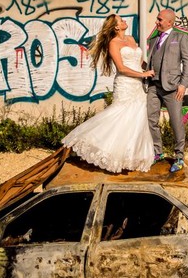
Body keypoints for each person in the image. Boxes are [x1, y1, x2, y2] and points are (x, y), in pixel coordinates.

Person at [62, 14, 156, 173]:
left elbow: (140, 62)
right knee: (119, 115)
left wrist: (151, 70)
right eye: (121, 20)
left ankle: (130, 157)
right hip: (125, 83)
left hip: (138, 85)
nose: (124, 21)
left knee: (136, 119)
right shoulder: (113, 43)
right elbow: (122, 68)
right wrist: (143, 74)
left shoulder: (131, 39)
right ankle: (89, 140)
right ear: (116, 27)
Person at [146, 9, 188, 173]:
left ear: (169, 22)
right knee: (151, 119)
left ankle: (179, 156)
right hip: (153, 86)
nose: (156, 22)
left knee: (176, 122)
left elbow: (187, 62)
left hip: (173, 87)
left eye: (159, 19)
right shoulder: (153, 40)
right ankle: (158, 152)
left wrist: (183, 84)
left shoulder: (180, 37)